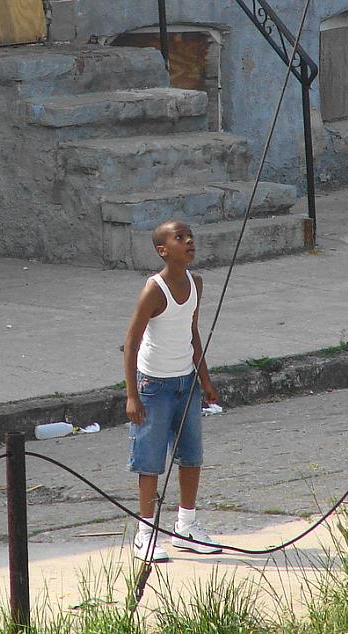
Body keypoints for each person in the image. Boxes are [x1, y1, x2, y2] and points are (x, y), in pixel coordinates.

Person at [123, 220, 221, 562]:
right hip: (154, 387)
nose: (189, 241)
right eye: (180, 238)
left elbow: (192, 333)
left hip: (186, 382)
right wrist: (132, 395)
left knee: (191, 456)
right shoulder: (154, 289)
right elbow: (132, 343)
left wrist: (204, 379)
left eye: (190, 236)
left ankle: (186, 526)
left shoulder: (196, 283)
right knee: (149, 462)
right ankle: (146, 533)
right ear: (163, 250)